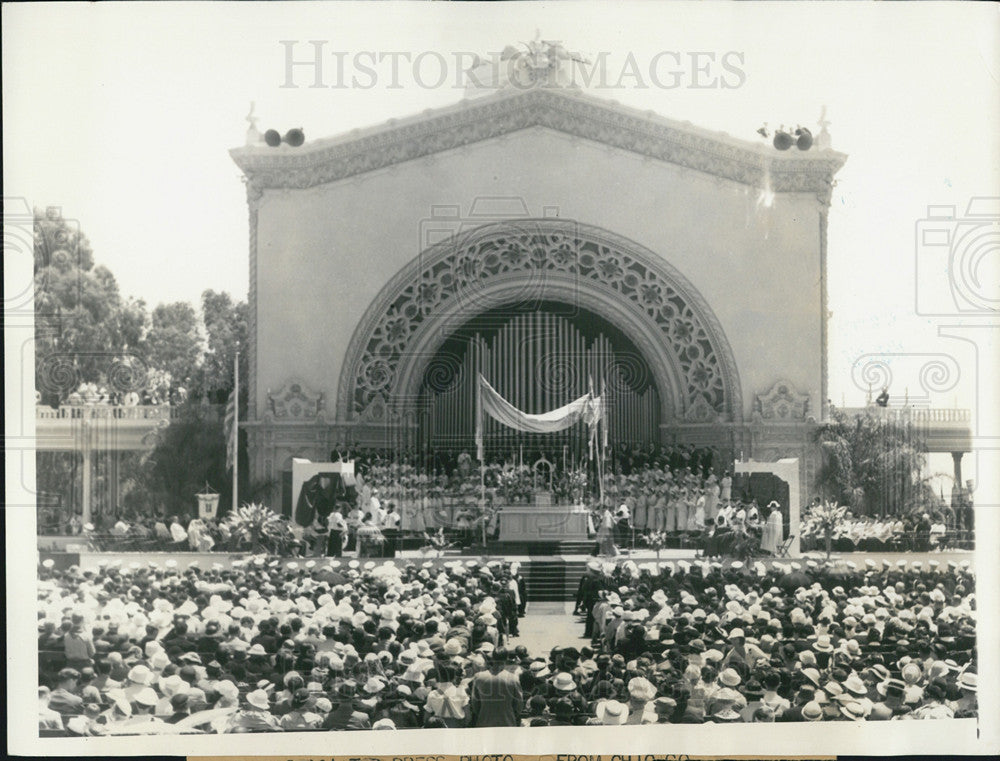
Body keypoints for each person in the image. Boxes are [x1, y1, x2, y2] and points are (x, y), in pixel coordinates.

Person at [469, 650, 522, 727]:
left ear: (492, 658)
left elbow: (475, 704)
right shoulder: (513, 679)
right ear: (506, 659)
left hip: (484, 722)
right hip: (507, 723)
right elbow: (518, 705)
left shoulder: (479, 677)